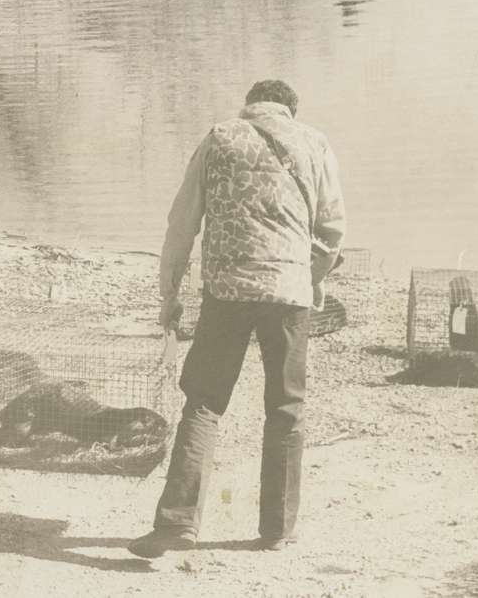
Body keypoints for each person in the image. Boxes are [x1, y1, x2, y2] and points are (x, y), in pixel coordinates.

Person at [128, 79, 347, 557]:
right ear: (290, 110)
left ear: (250, 106)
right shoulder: (315, 143)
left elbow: (182, 223)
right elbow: (331, 231)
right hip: (289, 292)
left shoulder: (218, 137)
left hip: (226, 289)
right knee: (286, 408)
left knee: (204, 402)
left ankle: (177, 523)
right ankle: (277, 529)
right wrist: (312, 279)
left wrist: (169, 295)